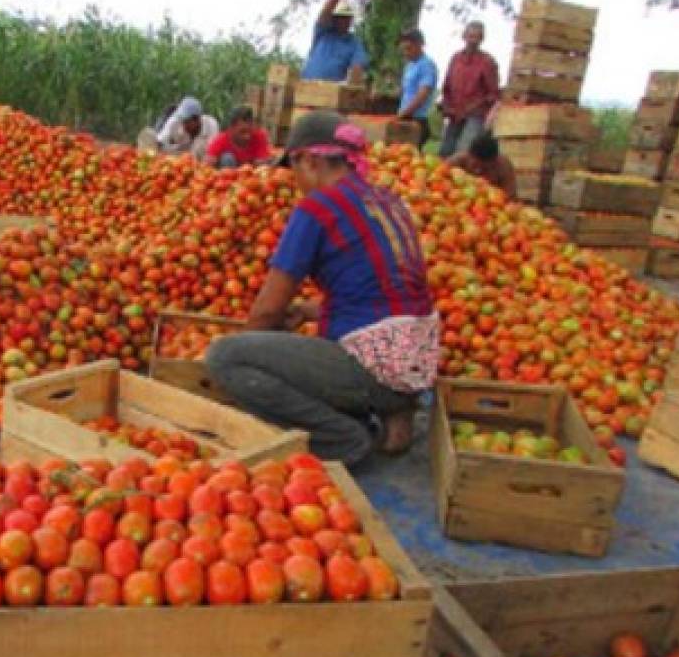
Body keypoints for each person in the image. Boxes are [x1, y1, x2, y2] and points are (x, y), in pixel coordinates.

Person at [206, 111, 438, 466]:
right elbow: (386, 289)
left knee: (226, 357)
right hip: (416, 362)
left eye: (294, 168)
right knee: (306, 348)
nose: (295, 181)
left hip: (376, 364)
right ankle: (394, 409)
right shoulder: (388, 201)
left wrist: (248, 352)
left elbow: (267, 311)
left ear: (310, 160)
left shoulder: (317, 208)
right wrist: (311, 311)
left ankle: (343, 440)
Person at [439, 21, 500, 159]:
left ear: (482, 39)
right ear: (464, 36)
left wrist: (473, 108)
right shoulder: (456, 58)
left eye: (477, 37)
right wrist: (447, 106)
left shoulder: (487, 62)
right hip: (454, 113)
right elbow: (447, 86)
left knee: (464, 151)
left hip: (475, 114)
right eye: (470, 36)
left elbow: (493, 94)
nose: (473, 41)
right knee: (445, 151)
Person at [301, 0, 369, 83]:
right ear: (333, 18)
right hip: (305, 87)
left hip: (332, 93)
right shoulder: (322, 33)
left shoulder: (354, 44)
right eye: (338, 17)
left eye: (345, 17)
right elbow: (323, 15)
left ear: (350, 20)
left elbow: (357, 67)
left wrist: (350, 81)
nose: (341, 20)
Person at [396, 28, 438, 149]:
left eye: (409, 48)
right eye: (403, 49)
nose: (405, 53)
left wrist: (405, 112)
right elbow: (405, 91)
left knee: (410, 156)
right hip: (404, 116)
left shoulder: (427, 65)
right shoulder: (409, 65)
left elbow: (423, 94)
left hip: (417, 118)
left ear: (420, 45)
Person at [446, 132, 516, 198]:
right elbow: (439, 176)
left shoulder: (503, 167)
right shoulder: (458, 160)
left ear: (494, 161)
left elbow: (510, 196)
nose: (478, 171)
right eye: (475, 165)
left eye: (485, 169)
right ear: (469, 155)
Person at [206, 107, 272, 169]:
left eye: (250, 131)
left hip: (250, 175)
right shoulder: (221, 139)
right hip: (227, 176)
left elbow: (262, 162)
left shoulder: (260, 136)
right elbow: (209, 161)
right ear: (231, 128)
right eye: (243, 131)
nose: (247, 137)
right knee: (227, 158)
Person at [155, 96, 220, 159]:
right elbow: (160, 141)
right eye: (183, 121)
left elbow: (212, 153)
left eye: (187, 122)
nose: (184, 125)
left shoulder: (210, 125)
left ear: (197, 119)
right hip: (178, 159)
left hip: (199, 161)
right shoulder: (175, 122)